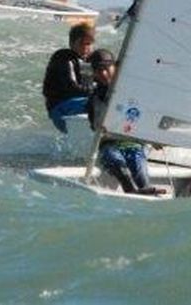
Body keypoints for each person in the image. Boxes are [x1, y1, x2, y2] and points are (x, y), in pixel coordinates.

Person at [87, 48, 162, 195]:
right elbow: (94, 126)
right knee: (114, 159)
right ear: (94, 73)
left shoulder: (131, 91)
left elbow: (144, 117)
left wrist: (152, 137)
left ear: (115, 67)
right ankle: (130, 190)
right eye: (98, 70)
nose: (103, 74)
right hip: (109, 144)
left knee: (137, 161)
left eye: (106, 68)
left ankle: (146, 189)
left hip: (133, 142)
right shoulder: (94, 98)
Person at [42, 22, 95, 131]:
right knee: (97, 104)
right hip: (60, 110)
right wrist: (97, 93)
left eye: (88, 44)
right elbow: (72, 88)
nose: (85, 48)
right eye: (82, 44)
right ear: (71, 43)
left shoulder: (86, 62)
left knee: (104, 104)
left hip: (78, 107)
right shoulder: (63, 59)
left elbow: (89, 87)